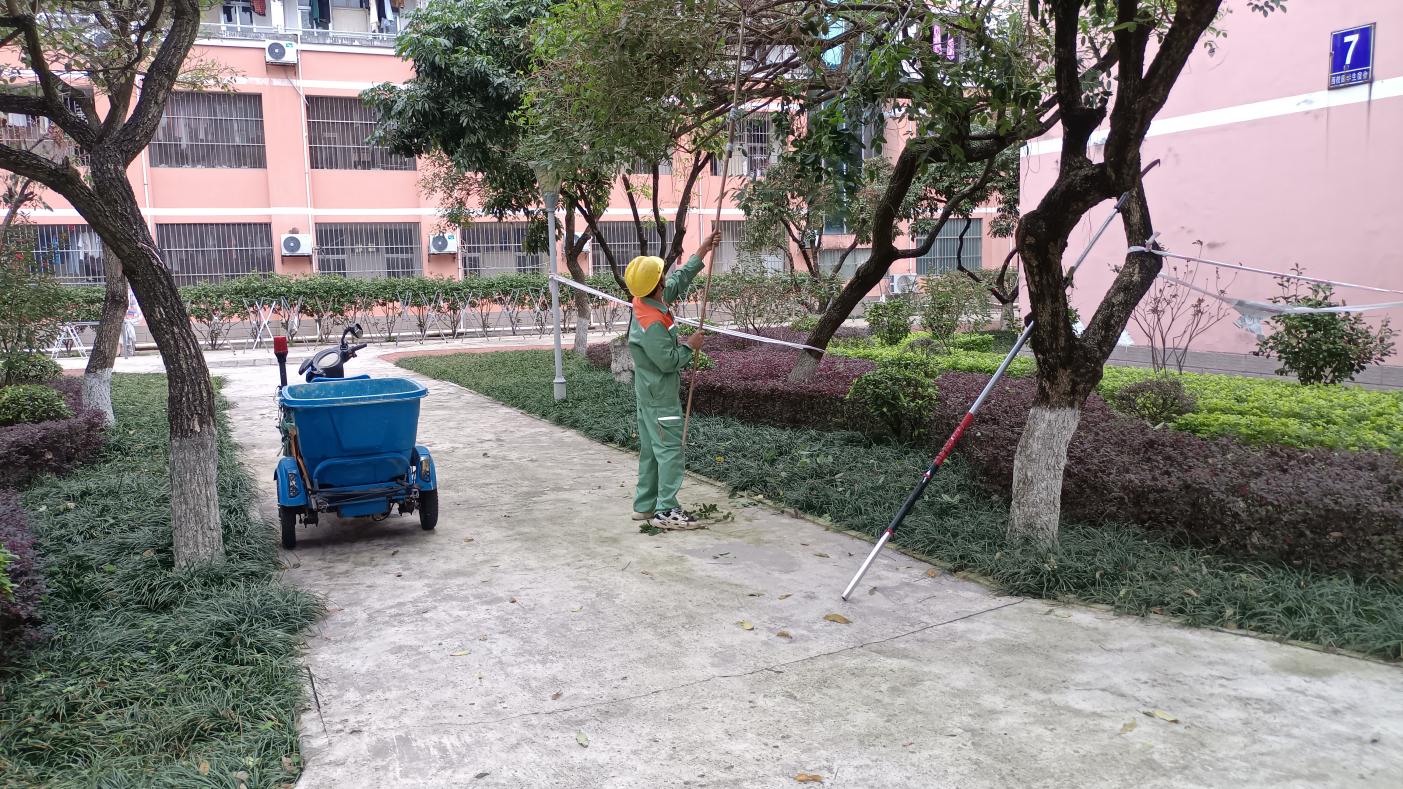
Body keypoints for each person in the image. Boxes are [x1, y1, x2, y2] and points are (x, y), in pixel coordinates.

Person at [623, 231, 720, 529]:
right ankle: (666, 511)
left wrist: (702, 250)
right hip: (660, 395)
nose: (666, 277)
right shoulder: (651, 323)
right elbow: (667, 362)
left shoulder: (645, 301)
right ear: (657, 285)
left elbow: (680, 280)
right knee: (669, 451)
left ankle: (645, 506)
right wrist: (690, 346)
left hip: (649, 394)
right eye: (661, 275)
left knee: (652, 451)